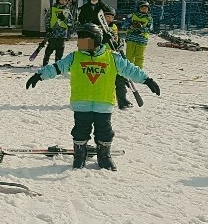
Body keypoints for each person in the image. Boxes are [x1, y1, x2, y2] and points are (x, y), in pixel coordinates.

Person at [25, 23, 161, 170]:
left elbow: (130, 69)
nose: (80, 42)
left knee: (105, 131)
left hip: (104, 103)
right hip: (81, 103)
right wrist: (39, 75)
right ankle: (79, 155)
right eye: (80, 39)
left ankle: (104, 156)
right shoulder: (74, 57)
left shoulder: (111, 57)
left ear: (96, 40)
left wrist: (147, 80)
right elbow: (57, 67)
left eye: (84, 39)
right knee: (80, 130)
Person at [101, 7, 131, 110]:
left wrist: (119, 43)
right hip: (102, 57)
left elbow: (116, 38)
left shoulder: (114, 26)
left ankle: (122, 100)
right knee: (105, 81)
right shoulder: (97, 27)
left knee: (120, 77)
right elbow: (90, 44)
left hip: (114, 55)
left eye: (111, 17)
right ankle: (103, 99)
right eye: (107, 17)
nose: (109, 19)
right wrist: (102, 40)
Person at [43, 0, 72, 66]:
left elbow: (70, 22)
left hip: (62, 33)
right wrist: (48, 28)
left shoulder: (67, 10)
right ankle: (45, 61)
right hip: (53, 32)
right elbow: (47, 19)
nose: (63, 2)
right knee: (50, 47)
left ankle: (58, 63)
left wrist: (65, 19)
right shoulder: (52, 9)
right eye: (62, 0)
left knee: (60, 49)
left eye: (65, 1)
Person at [123, 0, 153, 69]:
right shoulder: (132, 16)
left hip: (142, 40)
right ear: (138, 8)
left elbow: (150, 28)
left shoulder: (149, 18)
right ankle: (128, 69)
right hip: (131, 38)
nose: (144, 9)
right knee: (129, 55)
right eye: (142, 8)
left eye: (146, 8)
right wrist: (130, 26)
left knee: (139, 56)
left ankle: (138, 70)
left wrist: (141, 28)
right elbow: (124, 24)